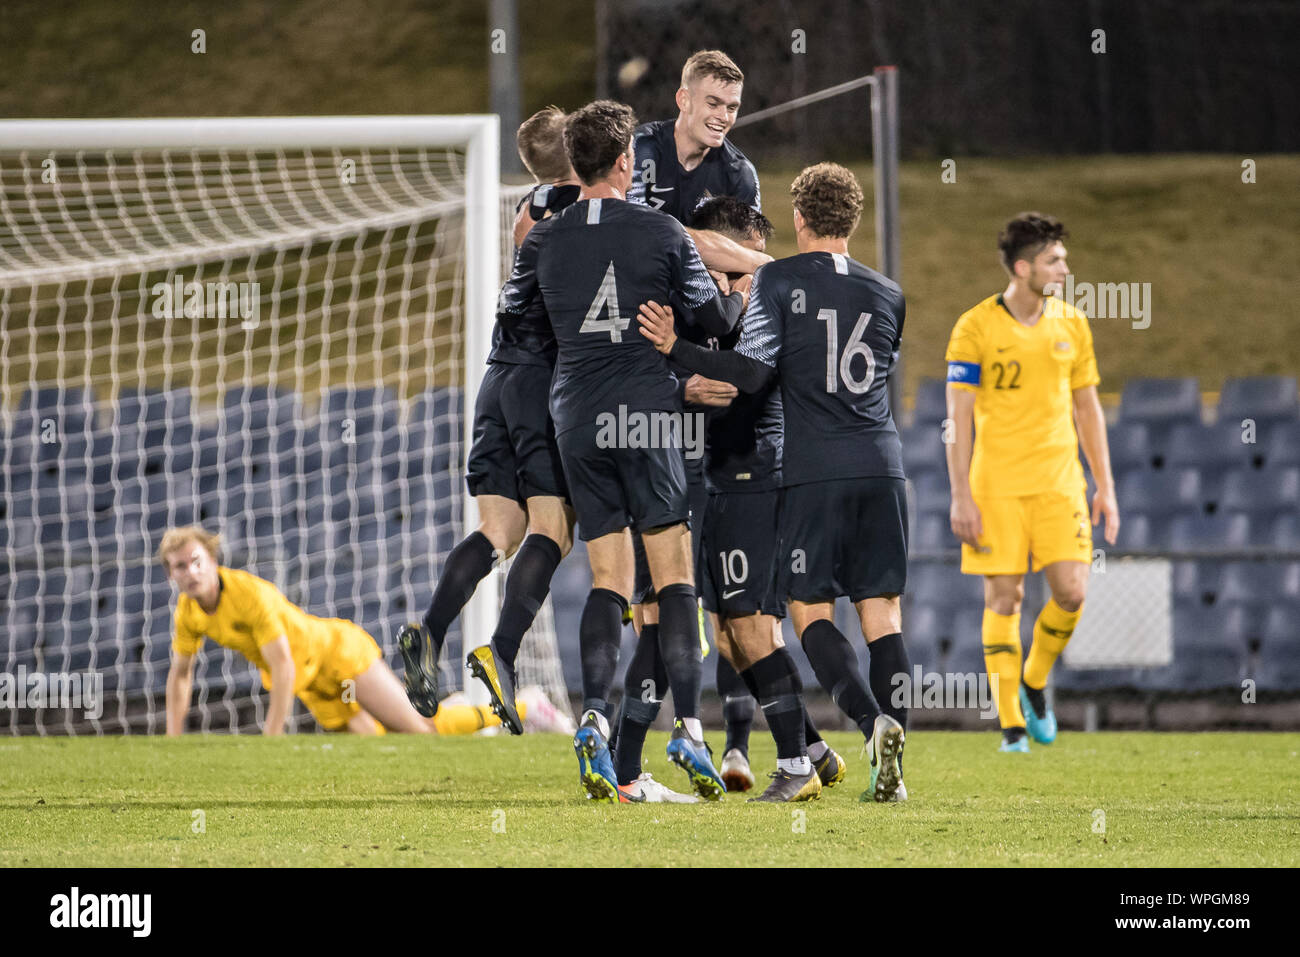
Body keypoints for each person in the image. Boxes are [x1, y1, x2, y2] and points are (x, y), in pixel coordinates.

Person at [638, 163, 913, 802]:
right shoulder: (889, 292)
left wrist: (677, 347)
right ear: (854, 219)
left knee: (806, 613)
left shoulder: (777, 278)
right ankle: (888, 740)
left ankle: (827, 747)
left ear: (797, 220)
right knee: (883, 614)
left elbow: (753, 376)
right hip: (884, 463)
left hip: (809, 469)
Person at [504, 99, 742, 801]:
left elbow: (517, 320)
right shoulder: (663, 230)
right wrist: (739, 285)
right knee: (672, 580)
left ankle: (594, 722)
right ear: (624, 163)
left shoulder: (542, 241)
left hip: (576, 417)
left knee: (607, 579)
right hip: (645, 414)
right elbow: (714, 319)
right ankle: (689, 728)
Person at [398, 106, 580, 736]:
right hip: (539, 383)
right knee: (554, 529)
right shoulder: (584, 209)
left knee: (500, 528)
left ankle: (431, 631)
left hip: (495, 379)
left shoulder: (529, 210)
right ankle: (500, 651)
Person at [944, 212, 1119, 752]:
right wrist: (961, 496)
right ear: (1023, 268)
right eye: (1054, 260)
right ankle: (1010, 724)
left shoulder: (1073, 325)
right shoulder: (974, 327)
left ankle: (1035, 680)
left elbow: (1087, 409)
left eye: (1063, 258)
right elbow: (958, 419)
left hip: (1059, 483)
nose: (1065, 268)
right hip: (995, 485)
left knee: (1071, 592)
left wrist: (1104, 486)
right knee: (1004, 597)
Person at [160, 526, 557, 736]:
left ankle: (529, 706)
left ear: (212, 560)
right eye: (179, 567)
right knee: (381, 745)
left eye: (196, 561)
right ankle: (448, 706)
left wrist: (272, 736)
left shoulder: (250, 595)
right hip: (312, 681)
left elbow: (281, 666)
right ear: (170, 574)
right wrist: (173, 740)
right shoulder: (187, 610)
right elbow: (180, 674)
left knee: (422, 732)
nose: (190, 572)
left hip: (339, 655)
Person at [627, 49, 770, 276]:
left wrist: (734, 281)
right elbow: (632, 232)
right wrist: (713, 251)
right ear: (683, 100)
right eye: (713, 104)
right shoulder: (641, 149)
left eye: (732, 108)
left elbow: (753, 251)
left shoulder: (740, 172)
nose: (724, 117)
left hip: (706, 290)